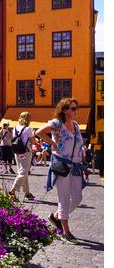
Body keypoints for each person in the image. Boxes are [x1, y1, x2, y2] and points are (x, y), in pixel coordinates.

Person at [36, 98, 84, 243]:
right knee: (63, 198)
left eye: (75, 108)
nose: (74, 111)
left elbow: (78, 143)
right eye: (71, 108)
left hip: (75, 166)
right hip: (61, 165)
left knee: (77, 198)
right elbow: (39, 132)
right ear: (64, 109)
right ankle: (65, 232)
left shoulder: (75, 125)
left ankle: (56, 216)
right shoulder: (57, 123)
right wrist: (52, 143)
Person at [8, 112, 36, 200]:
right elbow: (33, 142)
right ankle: (13, 191)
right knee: (23, 172)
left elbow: (13, 139)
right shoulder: (29, 129)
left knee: (23, 172)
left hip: (17, 152)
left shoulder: (15, 128)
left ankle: (27, 192)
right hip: (26, 152)